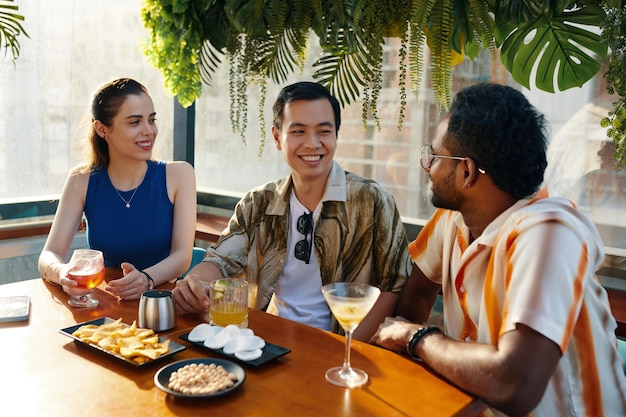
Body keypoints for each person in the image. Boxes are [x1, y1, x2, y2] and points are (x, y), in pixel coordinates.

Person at [370, 83, 626, 416]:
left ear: (467, 172)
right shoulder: (453, 219)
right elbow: (417, 296)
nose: (427, 167)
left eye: (433, 156)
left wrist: (415, 337)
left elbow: (514, 384)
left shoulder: (550, 233)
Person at [173, 81, 411, 341]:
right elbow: (222, 262)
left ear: (336, 136)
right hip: (267, 339)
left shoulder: (372, 201)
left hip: (341, 343)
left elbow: (394, 285)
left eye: (323, 131)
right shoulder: (258, 203)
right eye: (298, 131)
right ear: (277, 137)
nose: (312, 143)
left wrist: (351, 349)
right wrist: (193, 282)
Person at [38, 78, 197, 300]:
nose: (149, 131)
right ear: (102, 129)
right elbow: (49, 254)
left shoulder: (180, 174)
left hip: (162, 303)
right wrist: (63, 273)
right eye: (135, 122)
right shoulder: (81, 180)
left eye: (151, 120)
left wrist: (146, 278)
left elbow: (182, 256)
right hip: (109, 302)